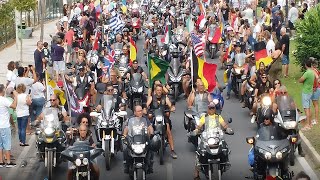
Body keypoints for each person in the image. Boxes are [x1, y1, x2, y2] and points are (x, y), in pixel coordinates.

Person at [193, 103, 232, 180]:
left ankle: (226, 162)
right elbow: (200, 125)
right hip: (207, 138)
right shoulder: (204, 117)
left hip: (217, 137)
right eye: (210, 108)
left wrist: (228, 129)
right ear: (208, 109)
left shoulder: (218, 117)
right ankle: (196, 174)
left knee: (225, 148)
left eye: (213, 108)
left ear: (215, 109)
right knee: (199, 152)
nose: (211, 110)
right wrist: (196, 130)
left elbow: (224, 124)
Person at [146, 84, 177, 159]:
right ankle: (146, 149)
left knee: (168, 130)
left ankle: (172, 150)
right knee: (148, 130)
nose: (159, 92)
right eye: (158, 90)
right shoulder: (151, 98)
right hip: (153, 117)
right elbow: (146, 106)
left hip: (163, 116)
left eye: (160, 90)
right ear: (155, 91)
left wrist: (172, 108)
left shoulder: (165, 98)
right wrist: (146, 110)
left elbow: (170, 105)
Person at [122, 105, 154, 173]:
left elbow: (150, 127)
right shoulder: (130, 119)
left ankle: (150, 164)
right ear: (134, 112)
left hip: (143, 139)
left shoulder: (145, 119)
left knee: (151, 147)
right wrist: (124, 136)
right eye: (138, 111)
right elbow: (126, 128)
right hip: (133, 139)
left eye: (141, 110)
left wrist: (151, 134)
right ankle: (126, 165)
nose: (140, 112)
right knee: (125, 148)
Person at [0, 84, 18, 167]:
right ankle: (8, 162)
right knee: (7, 144)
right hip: (4, 125)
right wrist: (15, 97)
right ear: (3, 91)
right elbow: (14, 106)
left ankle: (1, 161)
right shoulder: (4, 100)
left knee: (0, 144)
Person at [298, 59, 315, 131]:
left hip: (306, 92)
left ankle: (307, 124)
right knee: (309, 108)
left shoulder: (307, 73)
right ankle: (310, 123)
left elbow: (300, 80)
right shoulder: (312, 72)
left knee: (306, 109)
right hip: (310, 91)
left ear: (305, 65)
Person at [311, 58, 319, 125]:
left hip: (316, 88)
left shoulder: (313, 70)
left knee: (315, 104)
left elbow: (317, 78)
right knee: (315, 104)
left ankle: (316, 120)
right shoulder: (316, 70)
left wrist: (315, 86)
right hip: (317, 88)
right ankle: (315, 119)